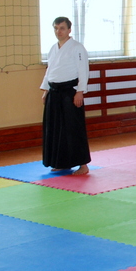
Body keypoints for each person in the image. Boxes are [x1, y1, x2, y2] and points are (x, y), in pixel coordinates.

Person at [40, 17, 91, 175]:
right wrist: (46, 90)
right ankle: (62, 163)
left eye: (62, 28)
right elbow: (49, 71)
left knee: (73, 127)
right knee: (55, 128)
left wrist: (80, 91)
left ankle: (83, 165)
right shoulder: (53, 48)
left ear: (69, 30)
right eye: (56, 28)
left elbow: (83, 70)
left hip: (70, 92)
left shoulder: (77, 47)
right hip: (54, 92)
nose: (58, 31)